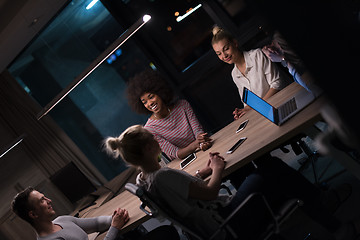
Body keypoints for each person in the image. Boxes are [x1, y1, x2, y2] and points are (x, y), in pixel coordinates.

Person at [104, 125, 359, 240]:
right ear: (150, 147)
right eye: (155, 141)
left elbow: (184, 192)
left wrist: (203, 171)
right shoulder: (163, 175)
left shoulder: (146, 178)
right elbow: (211, 193)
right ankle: (333, 222)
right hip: (227, 222)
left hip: (211, 226)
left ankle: (319, 206)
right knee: (270, 170)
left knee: (254, 174)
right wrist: (215, 169)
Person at [11, 187, 179, 240]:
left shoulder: (62, 220)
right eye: (41, 200)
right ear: (33, 214)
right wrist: (114, 227)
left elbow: (98, 223)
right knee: (167, 233)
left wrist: (115, 217)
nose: (48, 200)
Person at [126, 69, 212, 160]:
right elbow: (176, 153)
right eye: (144, 102)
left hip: (203, 151)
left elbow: (198, 130)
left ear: (160, 93)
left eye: (151, 97)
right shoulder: (150, 129)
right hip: (185, 163)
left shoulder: (182, 105)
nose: (149, 103)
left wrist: (202, 142)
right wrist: (195, 145)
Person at [211, 25, 291, 120]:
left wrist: (257, 108)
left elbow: (277, 84)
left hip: (285, 102)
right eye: (219, 53)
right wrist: (243, 111)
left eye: (226, 49)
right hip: (266, 114)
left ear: (235, 43)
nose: (224, 55)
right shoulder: (234, 74)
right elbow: (248, 102)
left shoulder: (257, 55)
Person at [262, 31, 323, 97]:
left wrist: (283, 58)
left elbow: (315, 90)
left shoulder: (301, 72)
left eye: (277, 46)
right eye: (272, 43)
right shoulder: (293, 64)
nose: (271, 48)